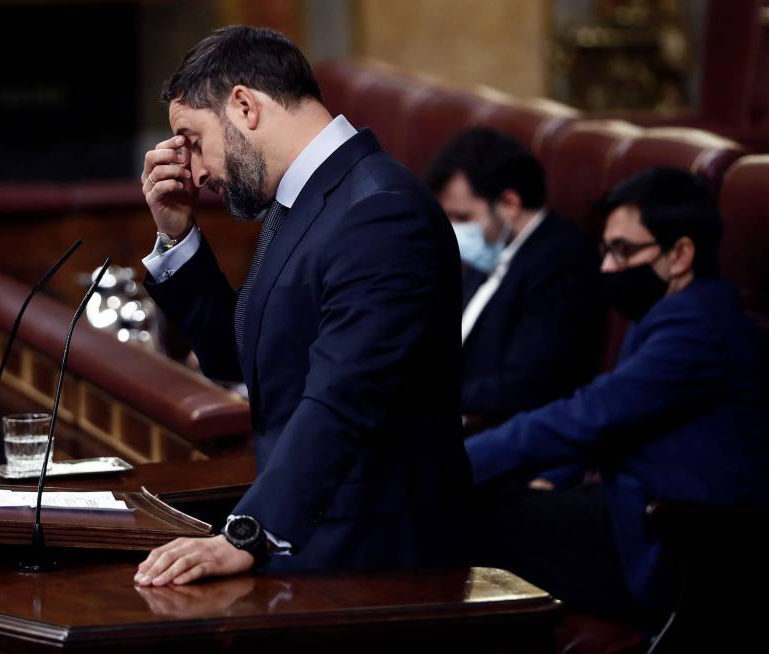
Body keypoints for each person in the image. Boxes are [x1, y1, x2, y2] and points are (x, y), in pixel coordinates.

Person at [133, 26, 468, 587]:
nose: (193, 170)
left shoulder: (379, 211)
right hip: (318, 541)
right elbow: (238, 357)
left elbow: (345, 398)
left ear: (244, 106)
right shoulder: (307, 200)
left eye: (192, 139)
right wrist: (177, 237)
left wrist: (248, 531)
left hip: (377, 564)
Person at [464, 167, 769, 627]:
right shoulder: (673, 313)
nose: (606, 267)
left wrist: (454, 461)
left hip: (666, 539)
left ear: (681, 253)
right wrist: (555, 472)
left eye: (623, 251)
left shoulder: (697, 328)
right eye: (605, 250)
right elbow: (620, 419)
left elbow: (589, 415)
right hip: (620, 504)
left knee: (466, 515)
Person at [425, 128, 603, 425]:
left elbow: (530, 382)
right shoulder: (492, 248)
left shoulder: (562, 260)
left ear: (509, 203)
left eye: (463, 217)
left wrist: (427, 398)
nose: (453, 229)